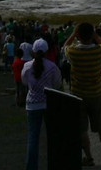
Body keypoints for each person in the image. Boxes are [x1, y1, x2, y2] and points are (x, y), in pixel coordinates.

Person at [65, 22, 101, 166]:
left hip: (78, 93)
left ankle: (89, 157)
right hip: (96, 93)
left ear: (78, 36)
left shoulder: (73, 52)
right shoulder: (99, 51)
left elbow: (65, 47)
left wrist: (73, 34)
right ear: (91, 35)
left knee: (82, 129)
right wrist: (95, 34)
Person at [22, 38, 62, 170]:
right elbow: (57, 84)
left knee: (33, 137)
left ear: (33, 51)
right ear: (46, 51)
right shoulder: (52, 67)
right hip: (48, 103)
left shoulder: (28, 66)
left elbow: (24, 82)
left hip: (32, 104)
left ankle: (31, 166)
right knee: (52, 137)